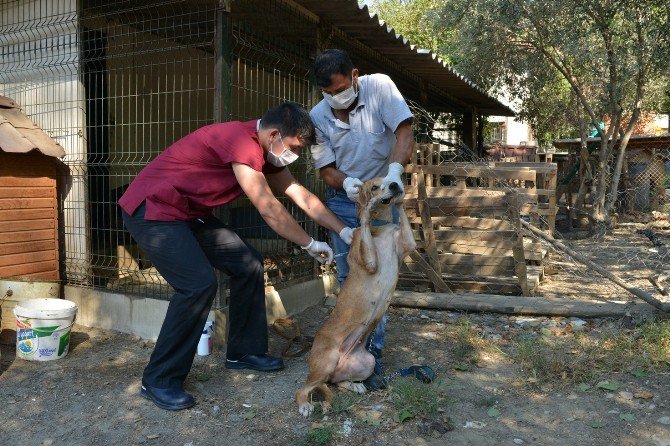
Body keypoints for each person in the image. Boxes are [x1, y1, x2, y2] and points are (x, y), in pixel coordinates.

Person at [119, 102, 354, 411]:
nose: (294, 156)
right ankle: (159, 379)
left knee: (248, 264)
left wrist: (345, 231)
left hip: (187, 213)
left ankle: (243, 353)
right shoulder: (240, 142)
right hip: (153, 210)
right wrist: (309, 244)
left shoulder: (268, 151)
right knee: (198, 284)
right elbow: (268, 208)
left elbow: (299, 194)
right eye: (294, 147)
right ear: (274, 136)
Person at [309, 49, 414, 390]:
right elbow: (326, 171)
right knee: (350, 277)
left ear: (355, 76)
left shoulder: (380, 87)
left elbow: (404, 131)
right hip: (345, 200)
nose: (335, 99)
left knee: (381, 275)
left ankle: (373, 354)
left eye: (340, 89)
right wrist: (347, 182)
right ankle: (347, 354)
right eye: (328, 94)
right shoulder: (318, 116)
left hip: (383, 196)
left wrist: (395, 172)